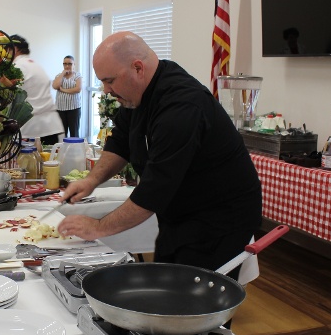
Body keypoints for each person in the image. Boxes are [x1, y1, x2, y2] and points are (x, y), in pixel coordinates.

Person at [58, 31, 261, 278]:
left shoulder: (181, 107)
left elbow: (153, 192)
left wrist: (98, 228)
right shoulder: (137, 92)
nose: (106, 90)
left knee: (195, 303)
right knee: (168, 283)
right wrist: (91, 180)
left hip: (218, 219)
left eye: (109, 80)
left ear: (138, 68)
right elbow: (121, 141)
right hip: (179, 212)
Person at [9, 35, 64, 145]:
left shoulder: (17, 66)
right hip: (51, 126)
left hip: (32, 130)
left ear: (14, 49)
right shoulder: (35, 64)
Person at [51, 55, 83, 137]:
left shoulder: (77, 76)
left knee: (74, 132)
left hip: (74, 108)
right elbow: (55, 86)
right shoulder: (59, 76)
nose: (67, 66)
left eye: (70, 64)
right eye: (65, 64)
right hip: (60, 108)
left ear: (74, 64)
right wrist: (62, 74)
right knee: (62, 133)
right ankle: (62, 149)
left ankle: (75, 149)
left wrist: (63, 90)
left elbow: (77, 89)